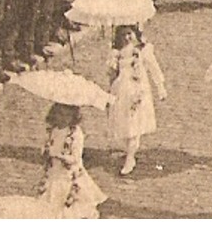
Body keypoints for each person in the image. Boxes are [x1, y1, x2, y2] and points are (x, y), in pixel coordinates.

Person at [108, 24, 166, 176]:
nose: (127, 38)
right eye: (123, 35)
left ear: (135, 33)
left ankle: (130, 157)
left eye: (129, 34)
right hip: (121, 90)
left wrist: (160, 87)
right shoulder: (116, 53)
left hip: (139, 91)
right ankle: (130, 151)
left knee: (134, 124)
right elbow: (112, 75)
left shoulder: (142, 50)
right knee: (125, 124)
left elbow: (154, 68)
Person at [38, 102, 105, 218]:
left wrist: (58, 155)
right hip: (54, 173)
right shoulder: (51, 131)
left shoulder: (75, 134)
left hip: (69, 175)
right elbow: (44, 148)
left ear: (73, 117)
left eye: (67, 116)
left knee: (69, 207)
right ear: (54, 114)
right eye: (60, 114)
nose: (63, 118)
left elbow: (75, 157)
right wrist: (46, 152)